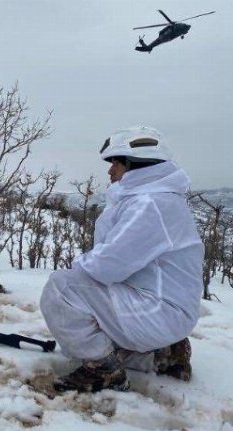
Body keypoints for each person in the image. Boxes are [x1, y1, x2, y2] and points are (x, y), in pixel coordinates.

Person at [40, 126, 204, 392]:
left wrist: (77, 269)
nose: (110, 170)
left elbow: (107, 265)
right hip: (162, 308)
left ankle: (104, 372)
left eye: (115, 162)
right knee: (89, 332)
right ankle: (162, 354)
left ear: (136, 164)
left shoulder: (150, 205)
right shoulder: (154, 199)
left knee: (62, 289)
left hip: (158, 309)